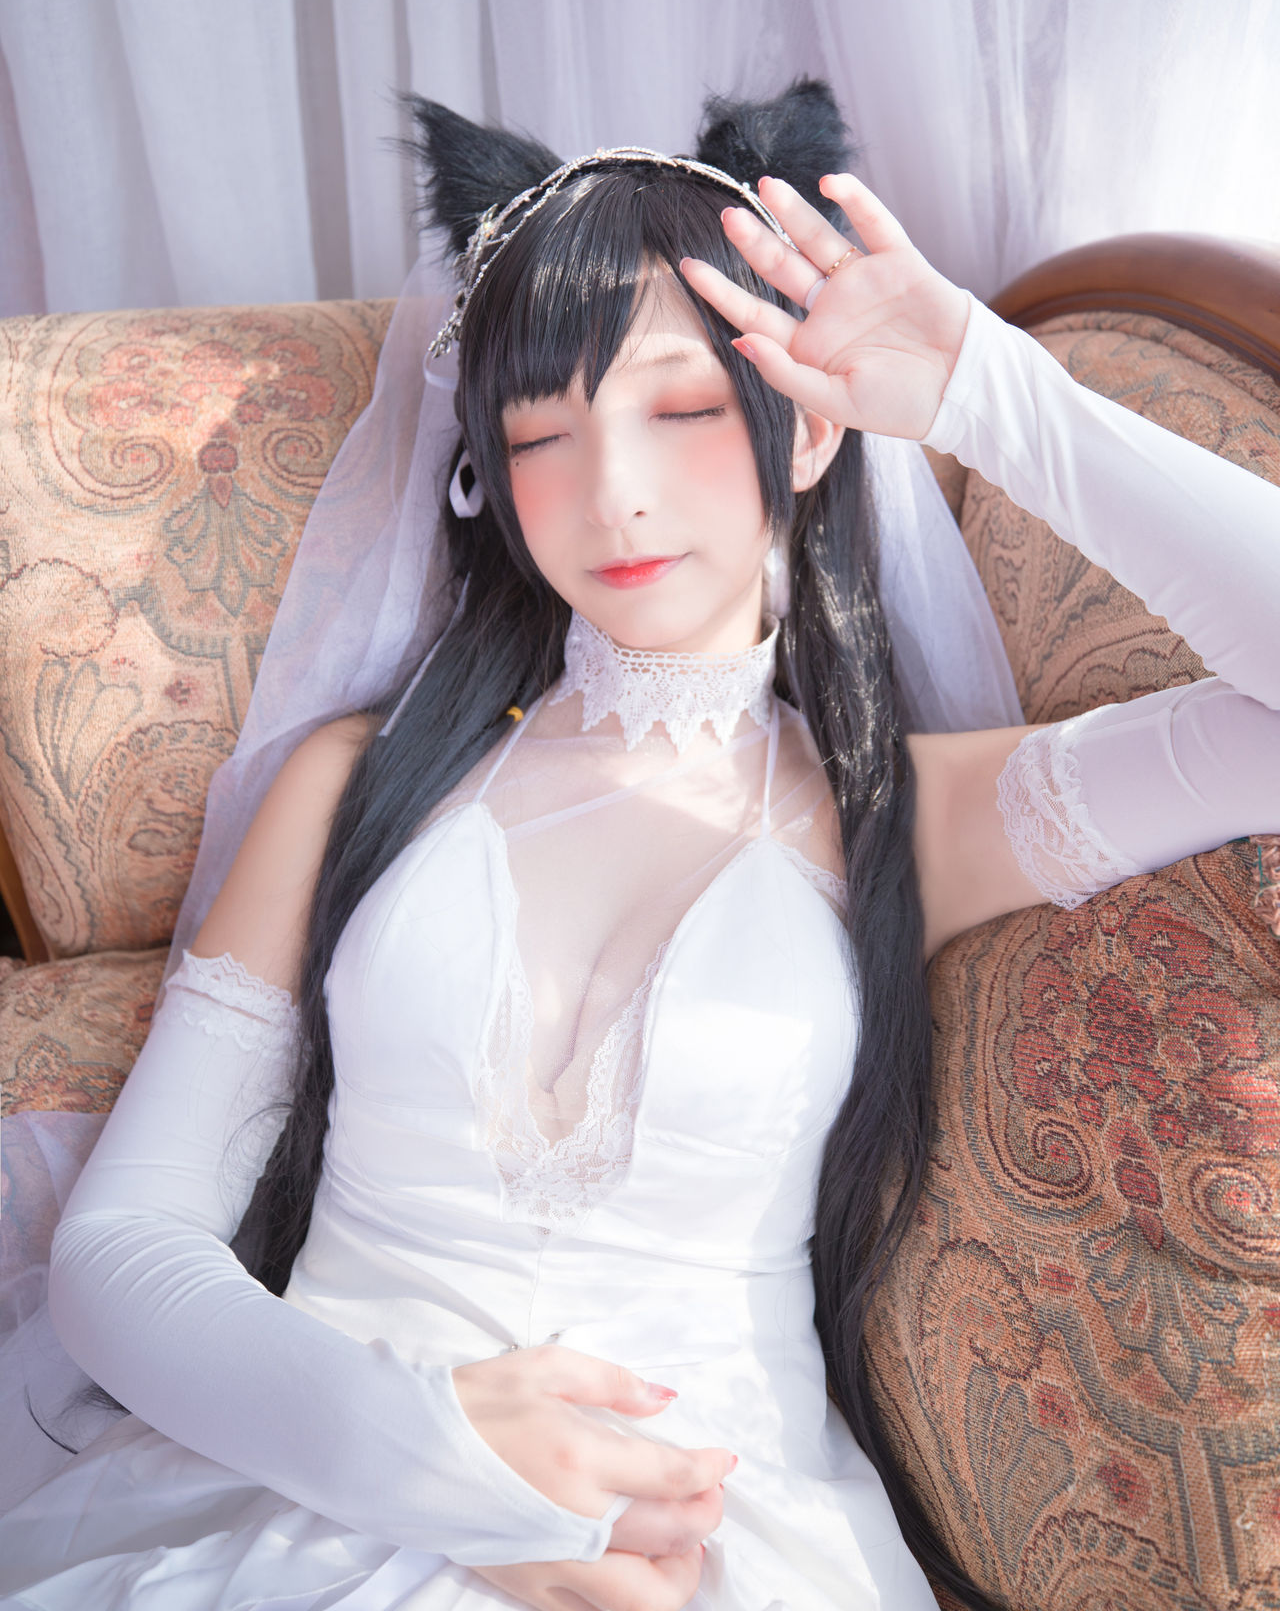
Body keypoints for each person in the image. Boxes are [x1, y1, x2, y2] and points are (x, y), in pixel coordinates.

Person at [1, 80, 1277, 1611]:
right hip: (309, 1483)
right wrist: (435, 1465)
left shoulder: (909, 818)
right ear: (483, 474)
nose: (612, 494)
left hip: (717, 1542)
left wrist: (983, 391)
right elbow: (122, 1250)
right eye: (542, 433)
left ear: (807, 424)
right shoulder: (353, 787)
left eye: (679, 411)